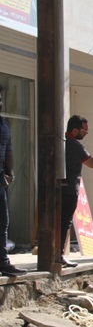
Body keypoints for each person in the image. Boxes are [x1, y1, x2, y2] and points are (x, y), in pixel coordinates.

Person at [60, 115, 93, 268]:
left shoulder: (62, 142)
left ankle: (57, 254)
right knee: (64, 224)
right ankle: (59, 255)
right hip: (69, 189)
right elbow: (92, 163)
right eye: (84, 130)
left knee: (59, 223)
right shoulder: (75, 145)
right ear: (75, 130)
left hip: (60, 188)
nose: (86, 133)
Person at [0, 86, 25, 275]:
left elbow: (9, 150)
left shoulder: (4, 124)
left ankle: (3, 261)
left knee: (3, 221)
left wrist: (10, 172)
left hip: (1, 181)